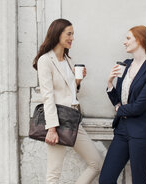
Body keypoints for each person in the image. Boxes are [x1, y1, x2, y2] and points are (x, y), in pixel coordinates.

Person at [33, 18, 103, 184]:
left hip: (73, 119)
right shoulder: (45, 61)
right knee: (53, 175)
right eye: (69, 34)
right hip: (57, 123)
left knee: (96, 163)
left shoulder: (67, 60)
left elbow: (68, 92)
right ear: (57, 34)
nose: (72, 38)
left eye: (73, 34)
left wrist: (77, 81)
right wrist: (51, 128)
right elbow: (48, 96)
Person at [99, 25, 146, 184]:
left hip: (142, 131)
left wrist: (120, 109)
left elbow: (141, 105)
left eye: (128, 38)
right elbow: (118, 101)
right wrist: (109, 83)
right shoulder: (125, 64)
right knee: (106, 179)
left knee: (140, 181)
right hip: (122, 130)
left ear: (139, 40)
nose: (124, 42)